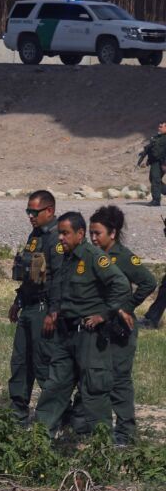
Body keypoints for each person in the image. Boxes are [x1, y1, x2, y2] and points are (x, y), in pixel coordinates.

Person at [33, 211, 133, 439]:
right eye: (59, 233)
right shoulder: (66, 258)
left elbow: (120, 285)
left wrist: (104, 314)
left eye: (65, 233)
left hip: (88, 336)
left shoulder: (93, 256)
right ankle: (40, 441)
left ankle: (101, 446)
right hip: (65, 335)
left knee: (94, 391)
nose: (60, 238)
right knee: (55, 387)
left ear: (80, 234)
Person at [88, 205, 157, 445]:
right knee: (96, 377)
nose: (94, 238)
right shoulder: (92, 255)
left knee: (119, 379)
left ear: (113, 233)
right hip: (98, 326)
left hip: (120, 328)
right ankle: (98, 427)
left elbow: (149, 282)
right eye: (91, 234)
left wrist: (127, 307)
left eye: (98, 233)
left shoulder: (124, 257)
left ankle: (125, 432)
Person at [6, 190, 64, 425]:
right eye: (28, 211)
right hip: (29, 306)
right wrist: (18, 301)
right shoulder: (36, 234)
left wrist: (53, 311)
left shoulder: (56, 238)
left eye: (34, 211)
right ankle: (18, 414)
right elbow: (32, 274)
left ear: (49, 211)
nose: (30, 215)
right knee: (20, 362)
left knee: (43, 364)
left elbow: (59, 279)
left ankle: (56, 417)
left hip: (44, 309)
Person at [137, 122, 166, 207]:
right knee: (152, 179)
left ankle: (156, 201)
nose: (159, 128)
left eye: (161, 127)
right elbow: (152, 150)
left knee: (155, 179)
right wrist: (146, 158)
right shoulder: (156, 138)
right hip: (154, 162)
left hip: (162, 162)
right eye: (159, 126)